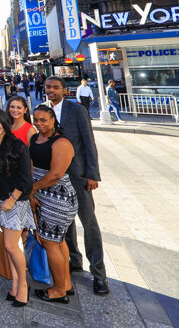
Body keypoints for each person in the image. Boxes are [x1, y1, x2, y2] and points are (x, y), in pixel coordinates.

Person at [44, 76, 108, 295]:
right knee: (64, 222)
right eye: (47, 87)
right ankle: (74, 259)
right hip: (56, 179)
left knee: (89, 223)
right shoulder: (44, 111)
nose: (51, 91)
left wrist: (92, 174)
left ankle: (99, 274)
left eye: (55, 87)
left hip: (79, 175)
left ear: (64, 90)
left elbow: (89, 142)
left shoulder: (77, 110)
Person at [29, 105, 78, 304]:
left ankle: (58, 290)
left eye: (43, 120)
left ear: (52, 120)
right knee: (58, 241)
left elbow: (55, 175)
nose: (39, 124)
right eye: (36, 120)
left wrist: (32, 189)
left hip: (59, 197)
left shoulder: (61, 142)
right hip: (43, 195)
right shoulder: (35, 138)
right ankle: (65, 283)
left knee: (50, 242)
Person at [0, 109, 35, 307]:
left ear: (6, 122)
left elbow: (26, 179)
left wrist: (12, 199)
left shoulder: (17, 145)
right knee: (10, 246)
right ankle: (14, 284)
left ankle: (23, 285)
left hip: (14, 201)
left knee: (11, 246)